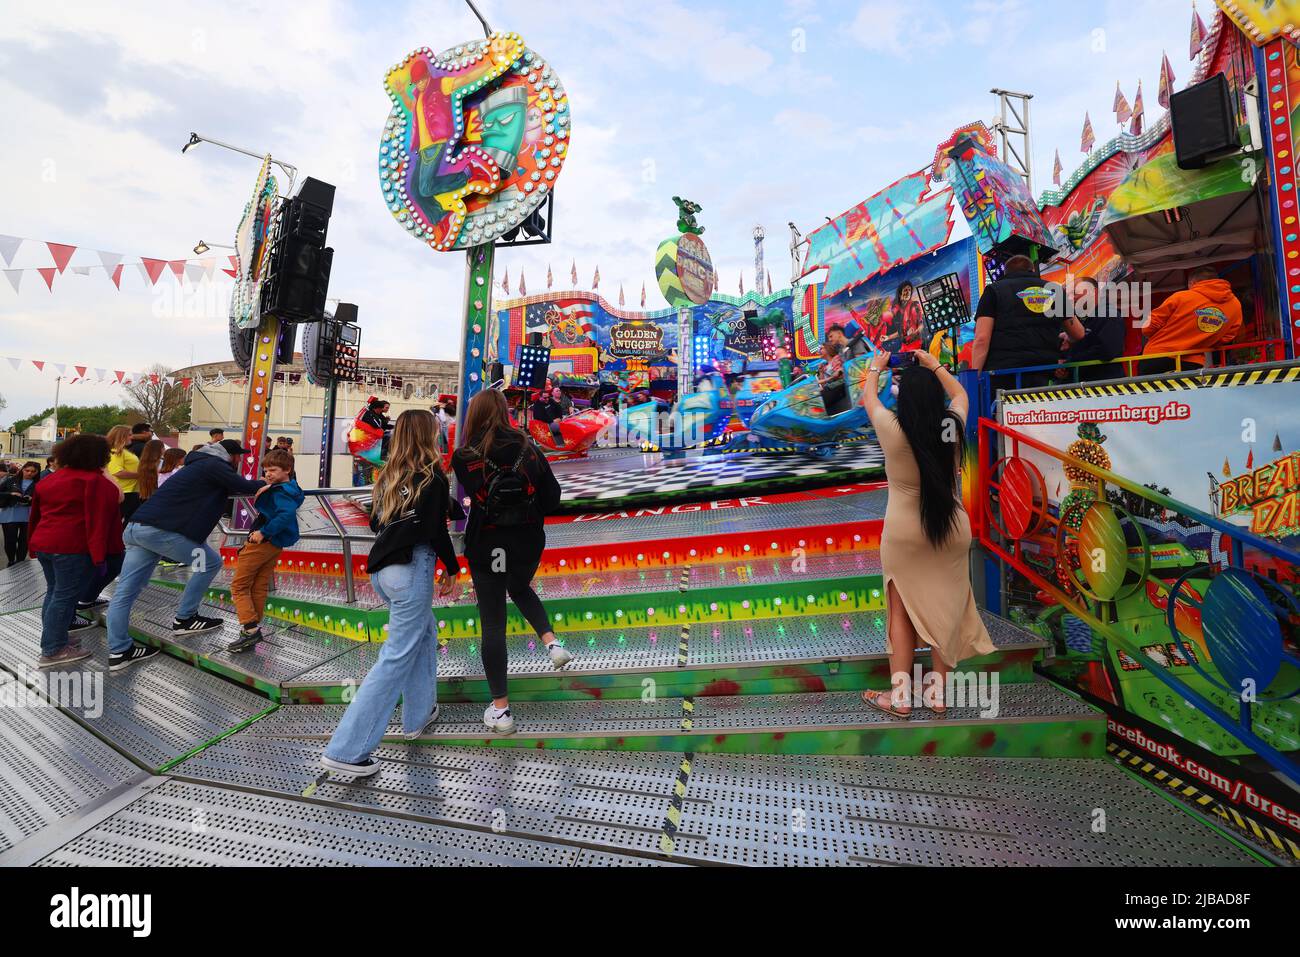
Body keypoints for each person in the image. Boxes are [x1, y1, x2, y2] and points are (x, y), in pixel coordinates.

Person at [321, 411, 458, 777]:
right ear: (429, 435)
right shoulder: (432, 474)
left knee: (424, 636)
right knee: (395, 659)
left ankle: (418, 714)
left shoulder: (388, 476)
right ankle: (347, 751)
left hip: (384, 571)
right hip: (412, 568)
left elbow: (377, 522)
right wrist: (454, 567)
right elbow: (433, 527)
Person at [860, 350, 995, 717]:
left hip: (903, 534)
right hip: (951, 528)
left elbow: (867, 397)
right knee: (947, 608)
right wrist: (933, 363)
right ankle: (937, 694)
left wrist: (877, 366)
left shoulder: (892, 429)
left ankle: (900, 696)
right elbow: (962, 396)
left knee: (900, 612)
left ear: (903, 399)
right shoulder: (950, 425)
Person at [453, 389, 572, 735]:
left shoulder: (464, 456)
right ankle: (552, 643)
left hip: (487, 543)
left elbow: (471, 498)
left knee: (493, 624)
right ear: (504, 412)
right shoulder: (527, 447)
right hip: (527, 540)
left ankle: (501, 711)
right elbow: (552, 499)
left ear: (473, 414)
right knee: (518, 585)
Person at [105, 439, 267, 672]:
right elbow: (246, 486)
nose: (239, 460)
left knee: (125, 593)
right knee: (210, 563)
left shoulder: (196, 466)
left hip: (137, 528)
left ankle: (119, 651)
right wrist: (280, 483)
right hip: (160, 531)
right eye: (237, 456)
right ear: (228, 455)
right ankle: (186, 619)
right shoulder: (214, 465)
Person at [27, 436, 124, 668]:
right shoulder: (94, 482)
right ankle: (52, 650)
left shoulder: (50, 479)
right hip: (73, 547)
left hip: (45, 543)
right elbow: (115, 500)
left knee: (54, 593)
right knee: (64, 596)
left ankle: (56, 638)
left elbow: (36, 514)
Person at [228, 448, 304, 654]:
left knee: (239, 586)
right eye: (265, 471)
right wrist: (268, 486)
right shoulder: (288, 487)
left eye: (273, 470)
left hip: (262, 541)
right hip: (274, 544)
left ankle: (250, 628)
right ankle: (252, 628)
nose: (268, 474)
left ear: (287, 469)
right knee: (259, 585)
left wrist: (263, 532)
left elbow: (284, 515)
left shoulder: (280, 492)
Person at [971, 255, 1062, 389]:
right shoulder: (1055, 290)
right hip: (1045, 373)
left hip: (1004, 374)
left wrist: (975, 378)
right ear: (1032, 270)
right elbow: (1077, 333)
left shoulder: (994, 290)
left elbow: (981, 339)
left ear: (1005, 272)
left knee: (1001, 410)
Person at [1139, 266, 1243, 375]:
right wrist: (1203, 339)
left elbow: (1148, 327)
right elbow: (1227, 337)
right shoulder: (1235, 305)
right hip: (1193, 361)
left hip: (1158, 357)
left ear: (1193, 283)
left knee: (1150, 391)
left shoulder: (1181, 297)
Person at [1060, 276, 1125, 382]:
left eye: (1075, 293)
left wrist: (1069, 363)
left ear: (1093, 292)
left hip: (1105, 387)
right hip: (1084, 386)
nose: (1072, 298)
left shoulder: (1109, 315)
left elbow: (1106, 350)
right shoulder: (1081, 318)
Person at [0, 461, 41, 566]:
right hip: (10, 514)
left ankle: (20, 562)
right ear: (22, 469)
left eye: (33, 471)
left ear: (37, 472)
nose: (29, 473)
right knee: (10, 540)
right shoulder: (10, 480)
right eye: (27, 470)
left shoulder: (39, 483)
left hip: (29, 515)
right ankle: (11, 561)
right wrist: (11, 494)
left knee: (24, 541)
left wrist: (33, 499)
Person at [105, 425, 141, 524]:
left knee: (128, 521)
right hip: (124, 492)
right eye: (129, 435)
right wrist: (142, 475)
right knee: (121, 522)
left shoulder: (122, 451)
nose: (132, 437)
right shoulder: (116, 452)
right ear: (122, 436)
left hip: (130, 491)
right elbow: (117, 472)